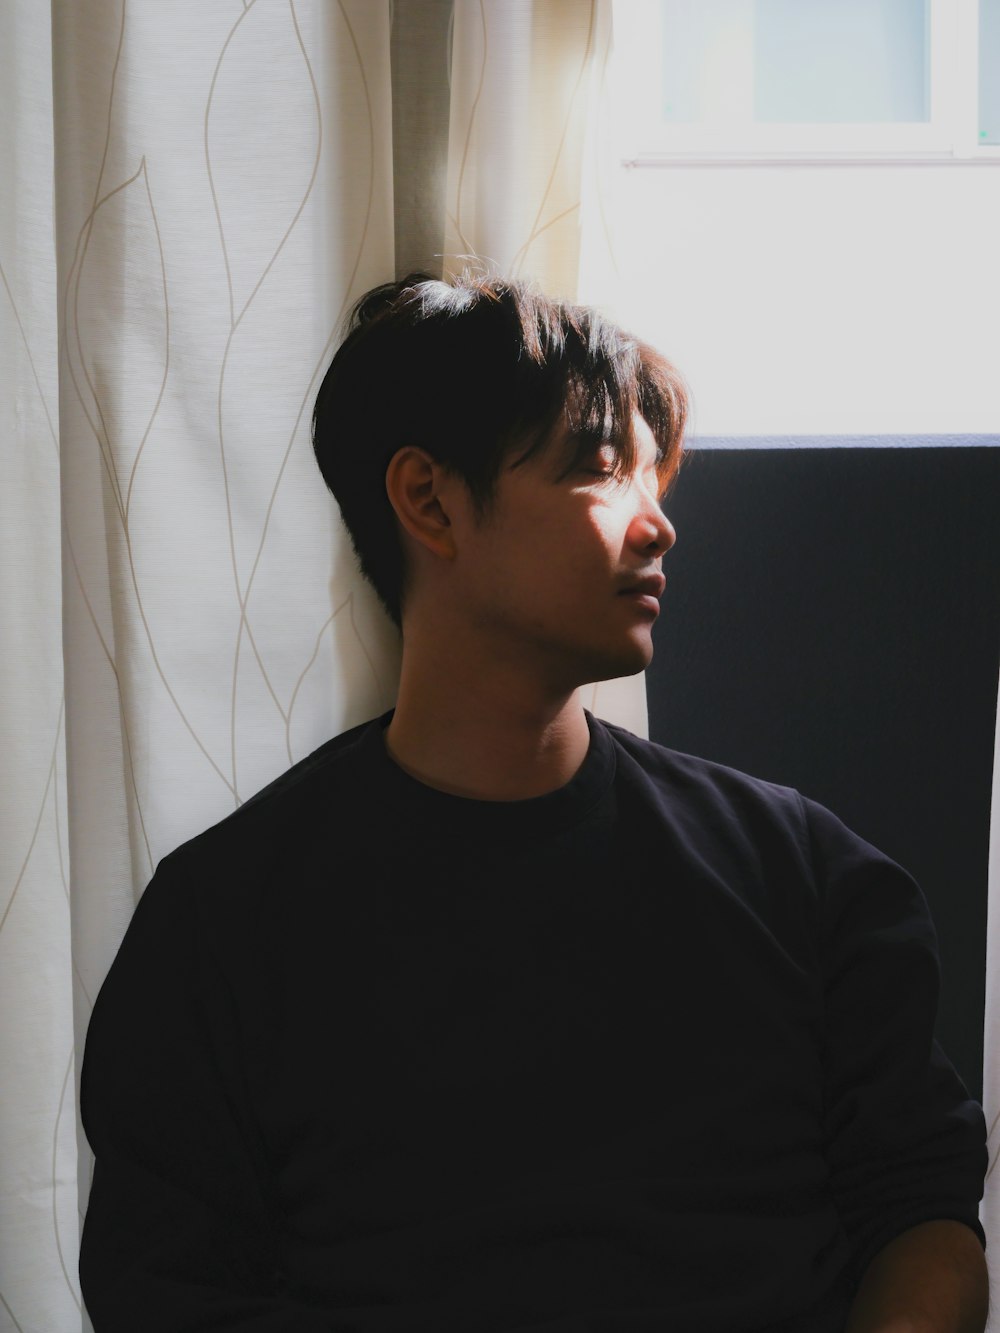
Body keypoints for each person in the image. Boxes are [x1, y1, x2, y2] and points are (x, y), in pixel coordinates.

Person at [78, 273, 990, 1332]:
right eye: (603, 472)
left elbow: (922, 1215)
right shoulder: (222, 922)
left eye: (658, 481)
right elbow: (169, 1291)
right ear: (428, 499)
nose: (659, 528)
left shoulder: (806, 873)